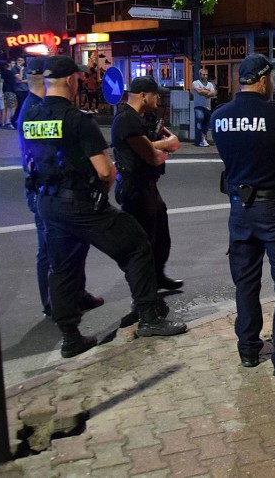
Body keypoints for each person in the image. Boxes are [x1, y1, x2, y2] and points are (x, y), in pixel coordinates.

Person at [22, 55, 186, 358]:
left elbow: (30, 159)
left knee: (62, 269)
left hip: (47, 202)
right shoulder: (77, 119)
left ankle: (71, 337)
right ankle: (149, 316)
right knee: (137, 245)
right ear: (72, 81)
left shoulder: (30, 116)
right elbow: (105, 170)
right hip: (80, 203)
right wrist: (101, 189)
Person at [211, 54, 275, 382]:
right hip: (274, 210)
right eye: (273, 78)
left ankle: (249, 350)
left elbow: (224, 150)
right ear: (264, 80)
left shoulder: (220, 117)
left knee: (246, 283)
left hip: (239, 210)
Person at [17, 57, 104, 319]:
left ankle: (76, 294)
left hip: (51, 188)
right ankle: (54, 304)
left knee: (70, 244)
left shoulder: (37, 109)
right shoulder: (34, 111)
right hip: (48, 189)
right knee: (50, 249)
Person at [111, 75, 185, 292]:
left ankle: (158, 276)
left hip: (148, 185)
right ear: (143, 96)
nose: (158, 100)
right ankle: (144, 296)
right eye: (155, 95)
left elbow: (175, 143)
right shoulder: (127, 120)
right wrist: (165, 145)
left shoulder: (144, 118)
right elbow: (154, 156)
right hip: (135, 188)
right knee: (144, 242)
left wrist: (162, 145)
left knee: (160, 235)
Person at [191, 68, 216, 147]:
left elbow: (213, 93)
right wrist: (208, 93)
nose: (205, 76)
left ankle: (203, 140)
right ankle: (199, 127)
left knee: (206, 124)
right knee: (200, 117)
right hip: (198, 106)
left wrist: (206, 92)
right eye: (203, 74)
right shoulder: (195, 83)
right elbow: (200, 92)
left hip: (207, 107)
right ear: (200, 75)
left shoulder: (210, 84)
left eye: (206, 74)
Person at [12, 56, 29, 125]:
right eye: (19, 60)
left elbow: (29, 80)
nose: (20, 62)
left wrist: (22, 81)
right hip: (19, 90)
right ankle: (14, 119)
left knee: (26, 105)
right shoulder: (14, 69)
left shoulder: (27, 69)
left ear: (24, 61)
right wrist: (21, 70)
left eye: (21, 60)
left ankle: (23, 119)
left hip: (26, 89)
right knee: (20, 105)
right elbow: (19, 78)